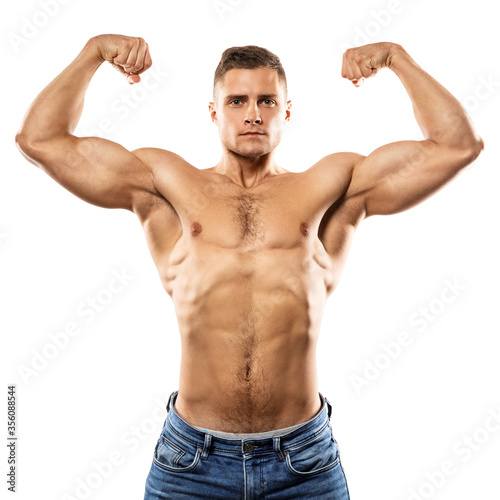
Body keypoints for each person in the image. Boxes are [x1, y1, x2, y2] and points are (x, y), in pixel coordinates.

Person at [15, 34, 483, 499]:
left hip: (304, 464)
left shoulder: (331, 185)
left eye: (267, 100)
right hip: (190, 464)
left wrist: (397, 59)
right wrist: (93, 51)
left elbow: (457, 146)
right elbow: (40, 139)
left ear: (287, 111)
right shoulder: (166, 184)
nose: (253, 113)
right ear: (215, 112)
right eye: (237, 101)